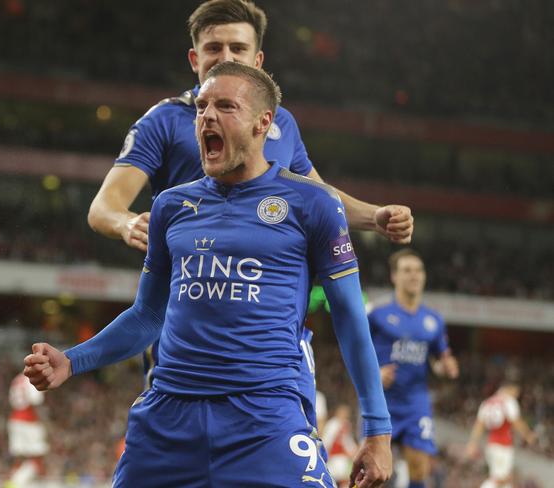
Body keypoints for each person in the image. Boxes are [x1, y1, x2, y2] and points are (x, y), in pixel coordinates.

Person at [26, 62, 392, 488]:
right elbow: (147, 316)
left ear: (264, 123)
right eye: (201, 106)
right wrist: (73, 360)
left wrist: (378, 431)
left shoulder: (313, 205)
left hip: (265, 420)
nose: (206, 117)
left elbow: (349, 316)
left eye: (225, 106)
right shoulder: (170, 206)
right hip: (167, 420)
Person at [88, 0, 413, 441]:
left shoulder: (279, 124)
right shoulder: (163, 122)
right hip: (190, 331)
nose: (225, 58)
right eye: (213, 48)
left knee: (284, 447)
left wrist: (373, 217)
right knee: (181, 444)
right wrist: (127, 223)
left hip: (271, 334)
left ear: (258, 60)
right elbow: (103, 207)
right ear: (194, 58)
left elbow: (318, 196)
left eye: (237, 49)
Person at [368, 248, 459, 488]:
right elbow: (355, 351)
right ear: (394, 276)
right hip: (381, 401)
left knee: (419, 466)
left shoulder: (434, 320)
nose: (414, 275)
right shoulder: (377, 314)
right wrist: (373, 373)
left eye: (418, 270)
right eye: (407, 270)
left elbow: (439, 360)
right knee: (376, 472)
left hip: (416, 402)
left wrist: (445, 367)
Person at [465, 381, 537, 488]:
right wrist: (528, 435)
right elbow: (516, 421)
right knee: (499, 480)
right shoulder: (509, 402)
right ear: (510, 388)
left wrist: (472, 443)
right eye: (516, 392)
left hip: (492, 444)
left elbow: (479, 425)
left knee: (505, 481)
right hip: (502, 446)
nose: (516, 395)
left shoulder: (487, 402)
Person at [5, 372, 49, 487]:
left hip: (14, 419)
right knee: (37, 456)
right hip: (28, 421)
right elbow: (36, 401)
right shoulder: (33, 379)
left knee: (19, 457)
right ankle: (17, 483)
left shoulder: (17, 379)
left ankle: (12, 482)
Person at [322, 404, 358, 488]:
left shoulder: (346, 424)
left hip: (344, 459)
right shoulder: (333, 424)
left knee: (347, 479)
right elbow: (327, 440)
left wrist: (354, 451)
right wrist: (325, 457)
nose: (345, 415)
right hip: (334, 458)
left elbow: (348, 442)